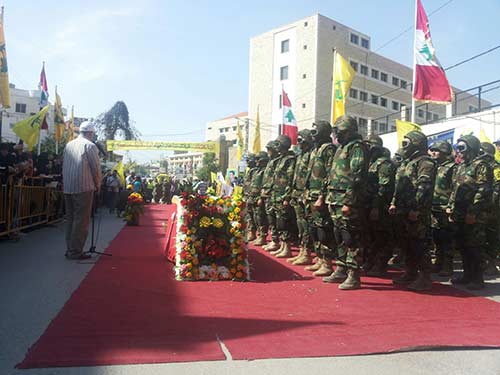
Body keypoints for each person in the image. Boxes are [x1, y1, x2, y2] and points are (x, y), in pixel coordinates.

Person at [62, 121, 102, 260]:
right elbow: (95, 169)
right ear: (90, 133)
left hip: (68, 187)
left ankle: (70, 249)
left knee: (71, 220)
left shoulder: (68, 145)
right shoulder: (90, 146)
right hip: (84, 187)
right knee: (81, 221)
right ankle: (75, 251)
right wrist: (98, 185)